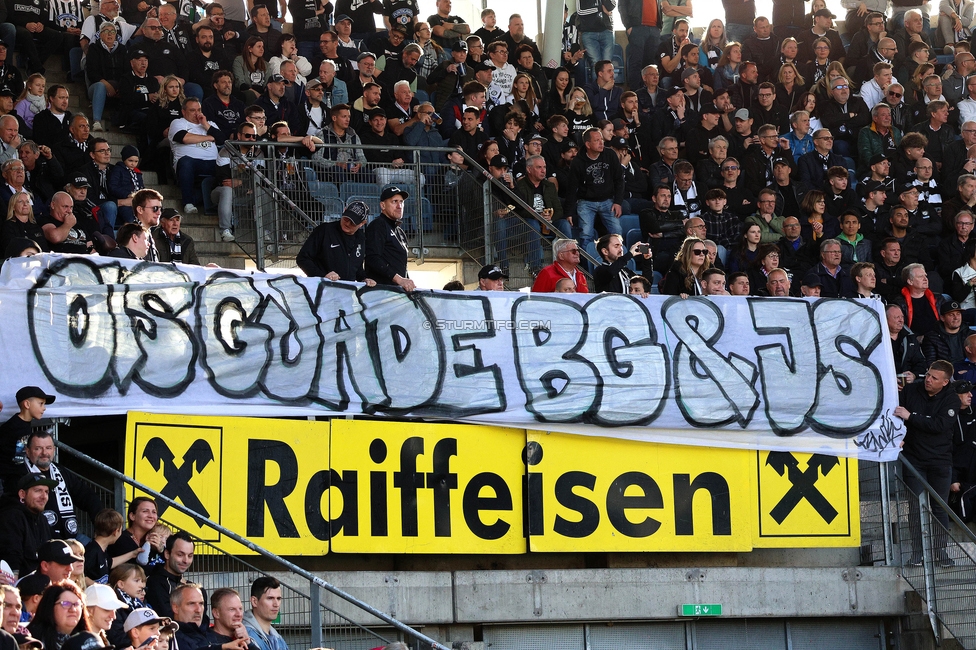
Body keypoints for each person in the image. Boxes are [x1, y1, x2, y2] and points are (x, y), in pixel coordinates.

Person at [895, 359, 960, 566]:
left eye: (934, 378)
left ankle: (941, 552)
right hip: (914, 458)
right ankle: (918, 553)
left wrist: (911, 416)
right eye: (928, 374)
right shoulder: (912, 391)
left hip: (940, 461)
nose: (928, 380)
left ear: (945, 382)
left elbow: (939, 425)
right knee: (915, 507)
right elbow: (895, 413)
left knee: (939, 507)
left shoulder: (951, 399)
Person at [567, 127, 623, 253]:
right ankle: (587, 266)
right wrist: (569, 212)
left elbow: (619, 180)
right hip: (586, 202)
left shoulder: (610, 155)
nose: (601, 142)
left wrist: (618, 202)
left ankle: (619, 261)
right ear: (588, 144)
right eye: (597, 140)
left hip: (608, 200)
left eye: (601, 139)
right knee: (586, 234)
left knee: (617, 231)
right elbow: (572, 188)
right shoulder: (578, 162)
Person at [296, 201, 376, 284]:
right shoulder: (324, 230)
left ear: (362, 223)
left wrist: (364, 279)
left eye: (353, 222)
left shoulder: (360, 237)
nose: (347, 224)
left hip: (347, 290)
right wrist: (323, 276)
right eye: (346, 219)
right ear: (344, 211)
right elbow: (302, 258)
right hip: (323, 288)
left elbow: (356, 266)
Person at [169, 98, 220, 215]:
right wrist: (209, 137)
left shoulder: (210, 124)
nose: (197, 113)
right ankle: (188, 203)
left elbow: (222, 138)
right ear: (183, 112)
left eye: (199, 110)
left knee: (227, 165)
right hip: (190, 163)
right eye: (192, 110)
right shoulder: (178, 122)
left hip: (213, 163)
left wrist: (205, 124)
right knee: (186, 161)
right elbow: (183, 138)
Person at [0, 474, 56, 577]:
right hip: (20, 585)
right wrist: (14, 585)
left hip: (41, 582)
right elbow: (11, 555)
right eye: (38, 491)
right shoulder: (12, 515)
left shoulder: (42, 519)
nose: (44, 496)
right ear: (22, 494)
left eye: (46, 492)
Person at [364, 186, 414, 289]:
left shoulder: (400, 232)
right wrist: (399, 279)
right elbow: (372, 258)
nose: (399, 206)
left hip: (395, 294)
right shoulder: (377, 225)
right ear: (382, 205)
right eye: (394, 201)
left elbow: (402, 268)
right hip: (379, 293)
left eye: (401, 202)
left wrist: (407, 283)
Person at [145, 531, 195, 620]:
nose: (186, 560)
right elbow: (167, 618)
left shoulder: (194, 588)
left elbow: (203, 621)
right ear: (167, 554)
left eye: (190, 556)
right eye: (180, 555)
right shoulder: (155, 583)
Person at [27, 581, 90, 650]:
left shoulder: (88, 641)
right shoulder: (32, 641)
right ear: (50, 607)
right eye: (66, 604)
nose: (73, 609)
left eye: (77, 604)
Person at [241, 578, 284, 650]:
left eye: (278, 598)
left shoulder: (278, 637)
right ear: (254, 601)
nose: (276, 604)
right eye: (270, 598)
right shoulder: (246, 635)